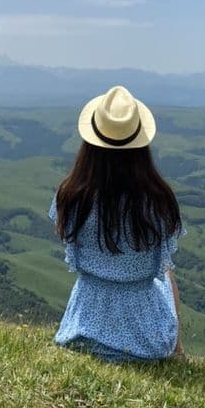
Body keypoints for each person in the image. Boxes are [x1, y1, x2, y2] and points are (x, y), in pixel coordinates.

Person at [49, 85, 185, 362]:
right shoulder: (158, 200)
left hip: (82, 334)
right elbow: (162, 262)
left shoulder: (72, 195)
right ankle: (178, 350)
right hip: (148, 344)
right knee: (168, 272)